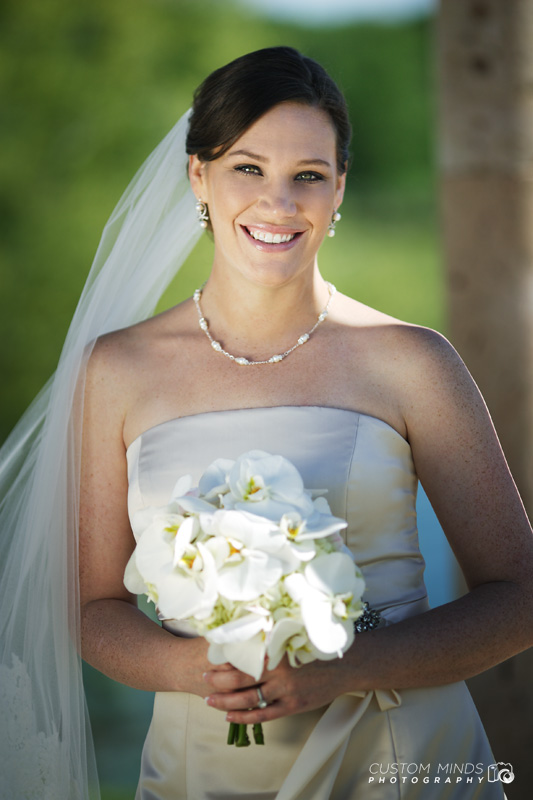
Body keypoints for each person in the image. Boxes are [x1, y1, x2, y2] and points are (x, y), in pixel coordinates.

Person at [1, 46, 532, 800]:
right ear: (198, 177)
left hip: (398, 759)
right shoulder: (116, 372)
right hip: (204, 766)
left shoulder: (411, 362)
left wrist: (343, 670)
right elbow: (94, 610)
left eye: (307, 176)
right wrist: (194, 668)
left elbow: (518, 594)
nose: (278, 204)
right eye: (247, 168)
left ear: (338, 187)